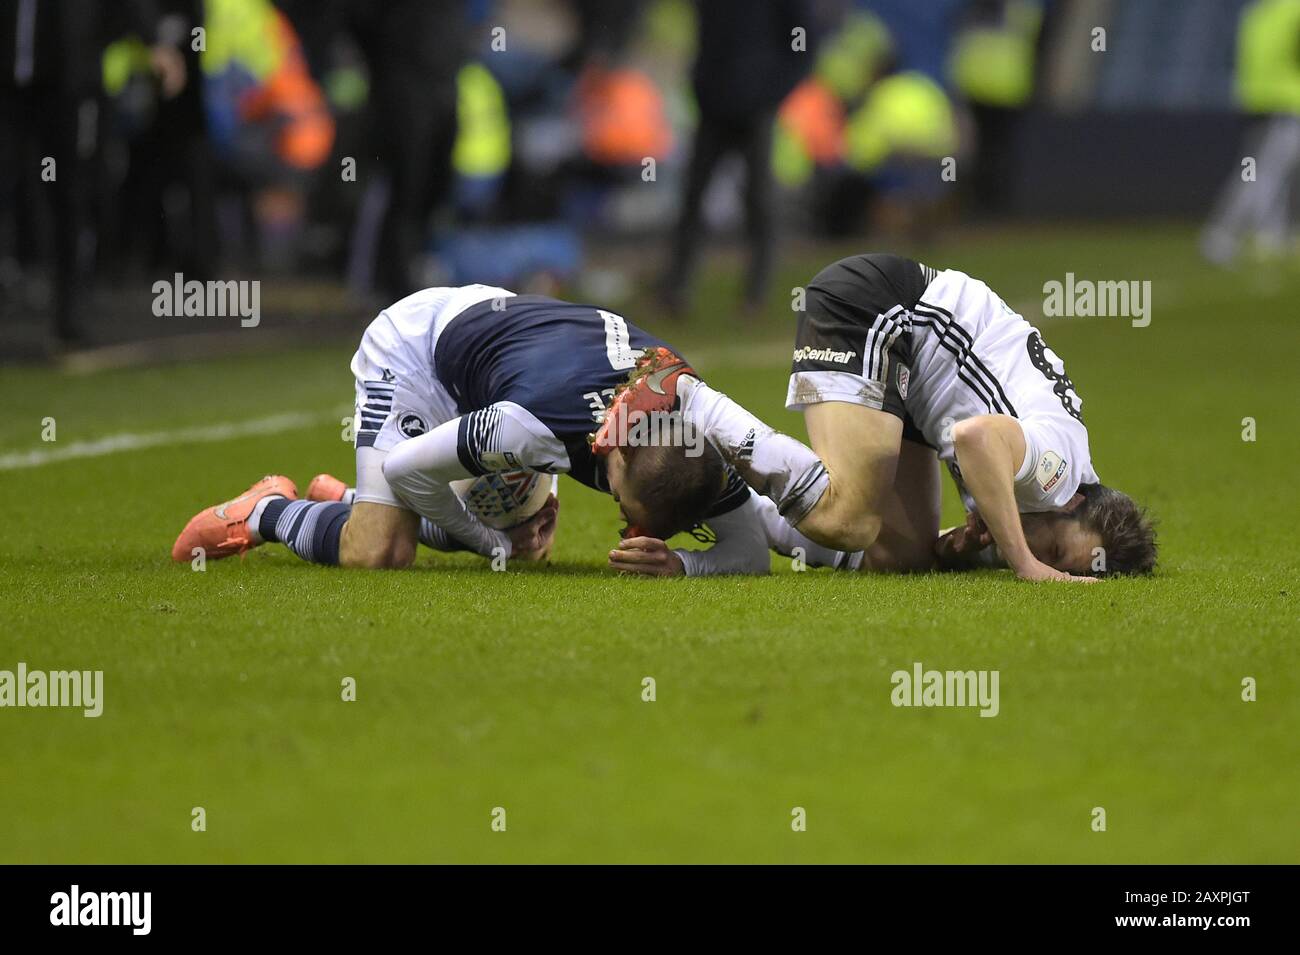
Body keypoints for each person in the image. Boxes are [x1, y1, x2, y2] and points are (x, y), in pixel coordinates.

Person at [605, 253, 1158, 582]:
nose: (1047, 558)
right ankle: (688, 396)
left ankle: (749, 519)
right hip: (882, 309)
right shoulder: (1055, 473)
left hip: (917, 367)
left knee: (901, 556)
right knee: (848, 520)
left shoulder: (1055, 491)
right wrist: (1024, 564)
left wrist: (956, 547)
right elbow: (976, 436)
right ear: (1078, 502)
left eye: (1062, 566)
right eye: (1058, 551)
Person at [171, 287, 795, 576]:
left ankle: (353, 503)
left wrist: (681, 565)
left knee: (523, 537)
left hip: (514, 352)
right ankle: (267, 512)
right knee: (380, 552)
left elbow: (746, 553)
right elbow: (407, 468)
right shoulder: (525, 427)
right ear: (614, 449)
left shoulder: (687, 435)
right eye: (628, 510)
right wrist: (483, 545)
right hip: (421, 351)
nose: (630, 529)